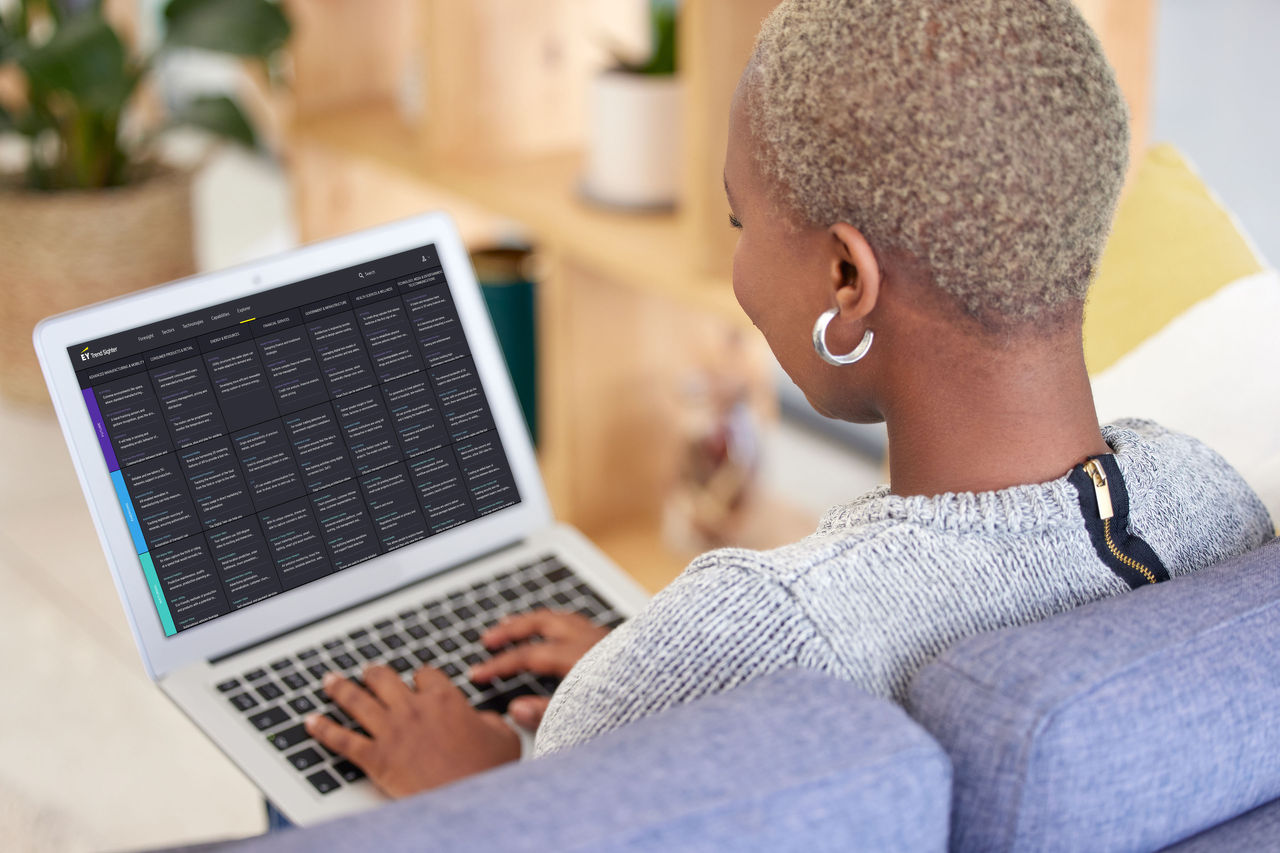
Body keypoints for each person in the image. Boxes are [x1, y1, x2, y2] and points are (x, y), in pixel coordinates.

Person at [303, 0, 1274, 796]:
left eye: (739, 218)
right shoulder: (1212, 503)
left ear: (846, 281)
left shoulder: (760, 625)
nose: (735, 258)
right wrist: (655, 688)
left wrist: (472, 782)